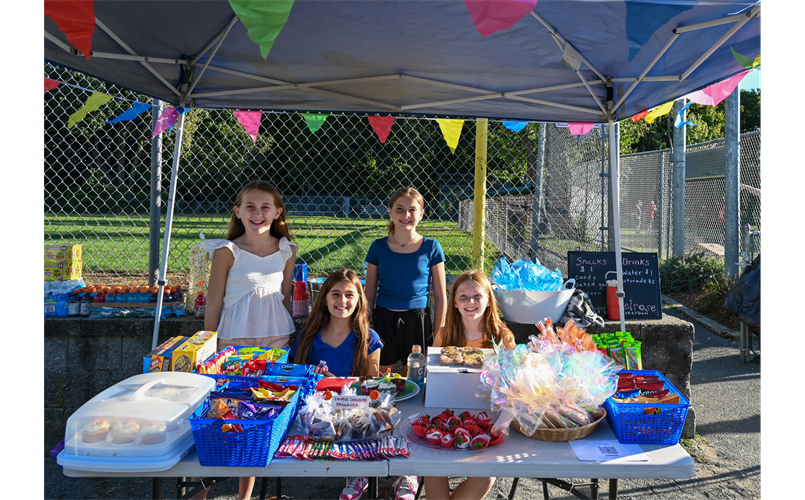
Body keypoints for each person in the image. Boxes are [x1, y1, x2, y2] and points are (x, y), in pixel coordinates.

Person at [195, 180, 297, 500]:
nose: (257, 213)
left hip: (276, 341)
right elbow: (213, 303)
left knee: (259, 416)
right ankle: (201, 490)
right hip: (232, 344)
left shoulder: (287, 250)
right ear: (237, 212)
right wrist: (209, 346)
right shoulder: (227, 252)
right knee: (222, 416)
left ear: (278, 212)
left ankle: (246, 495)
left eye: (265, 207)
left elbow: (287, 298)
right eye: (250, 207)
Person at [364, 187, 447, 500]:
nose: (405, 215)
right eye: (399, 209)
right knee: (382, 391)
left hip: (418, 323)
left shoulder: (431, 247)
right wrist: (367, 328)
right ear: (390, 212)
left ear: (421, 213)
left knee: (416, 391)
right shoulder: (377, 247)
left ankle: (410, 466)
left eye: (412, 209)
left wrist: (438, 332)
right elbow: (369, 294)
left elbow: (440, 295)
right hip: (383, 323)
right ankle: (377, 449)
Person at [288, 268, 382, 500]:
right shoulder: (308, 337)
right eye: (335, 294)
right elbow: (297, 381)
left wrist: (341, 385)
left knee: (373, 421)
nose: (343, 301)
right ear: (325, 298)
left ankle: (360, 473)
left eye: (350, 294)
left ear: (359, 299)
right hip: (316, 415)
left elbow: (372, 389)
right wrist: (322, 381)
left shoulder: (369, 338)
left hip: (355, 414)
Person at [425, 270, 515, 500]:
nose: (470, 302)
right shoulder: (444, 334)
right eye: (463, 296)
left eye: (477, 296)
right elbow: (433, 378)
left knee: (484, 477)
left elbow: (514, 385)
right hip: (445, 413)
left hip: (487, 418)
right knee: (433, 467)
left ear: (488, 300)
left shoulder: (503, 337)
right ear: (454, 303)